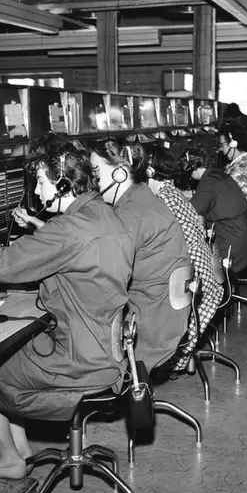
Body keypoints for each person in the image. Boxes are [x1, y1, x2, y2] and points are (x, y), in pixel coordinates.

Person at [0, 145, 133, 480]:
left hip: (79, 365)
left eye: (41, 182)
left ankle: (9, 460)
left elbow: (3, 264)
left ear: (63, 183)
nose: (37, 192)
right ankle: (21, 451)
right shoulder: (106, 214)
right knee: (9, 352)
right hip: (105, 353)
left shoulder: (70, 228)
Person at [89, 138, 192, 373]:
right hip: (165, 315)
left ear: (120, 173)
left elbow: (103, 279)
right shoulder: (144, 199)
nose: (92, 181)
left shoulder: (130, 215)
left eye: (95, 173)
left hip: (147, 326)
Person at [146, 146, 223, 371]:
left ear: (149, 171)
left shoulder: (161, 199)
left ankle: (171, 358)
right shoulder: (172, 191)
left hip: (192, 273)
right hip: (203, 266)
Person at [184, 147, 247, 274]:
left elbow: (190, 212)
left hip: (231, 249)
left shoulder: (209, 182)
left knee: (186, 251)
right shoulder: (216, 174)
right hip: (243, 241)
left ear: (191, 168)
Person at [218, 124, 247, 214]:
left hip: (236, 217)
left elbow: (225, 199)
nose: (221, 149)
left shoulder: (239, 170)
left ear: (233, 143)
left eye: (222, 145)